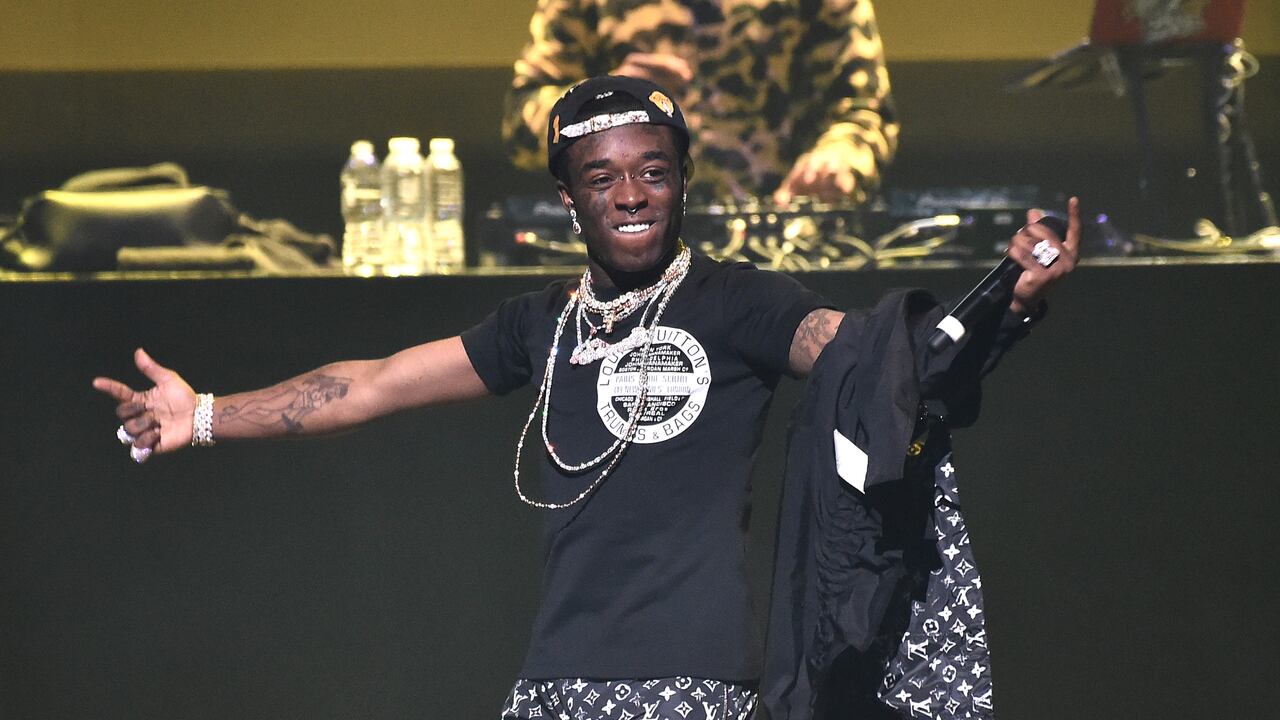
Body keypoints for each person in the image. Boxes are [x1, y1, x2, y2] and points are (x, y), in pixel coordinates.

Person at [95, 76, 1077, 719]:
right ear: (569, 197)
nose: (632, 193)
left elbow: (874, 360)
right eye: (602, 177)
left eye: (653, 171)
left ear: (680, 181)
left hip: (693, 685)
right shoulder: (538, 325)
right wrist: (208, 413)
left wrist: (1004, 304)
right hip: (555, 685)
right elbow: (370, 385)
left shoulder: (737, 302)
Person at [502, 0, 899, 207]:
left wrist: (838, 159)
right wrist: (605, 101)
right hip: (628, 248)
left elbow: (864, 110)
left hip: (784, 250)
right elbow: (521, 123)